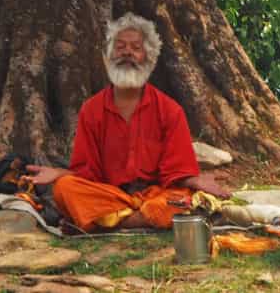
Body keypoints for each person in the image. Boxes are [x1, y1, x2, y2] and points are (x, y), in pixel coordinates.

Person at [24, 12, 230, 231]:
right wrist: (59, 174)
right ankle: (137, 220)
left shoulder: (170, 110)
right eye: (120, 47)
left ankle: (108, 222)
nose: (127, 53)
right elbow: (87, 174)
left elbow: (176, 172)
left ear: (149, 58)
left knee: (180, 200)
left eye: (136, 48)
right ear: (108, 57)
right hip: (111, 195)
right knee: (65, 189)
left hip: (156, 196)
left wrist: (194, 181)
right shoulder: (91, 110)